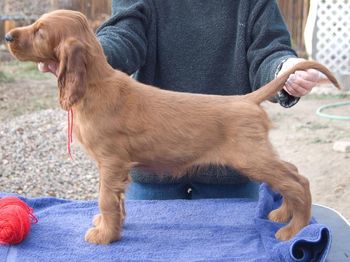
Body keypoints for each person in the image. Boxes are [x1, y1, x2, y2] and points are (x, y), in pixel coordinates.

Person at [39, 0, 323, 200]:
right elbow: (124, 34)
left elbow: (268, 50)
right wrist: (87, 58)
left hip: (229, 176)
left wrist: (283, 70)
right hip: (153, 173)